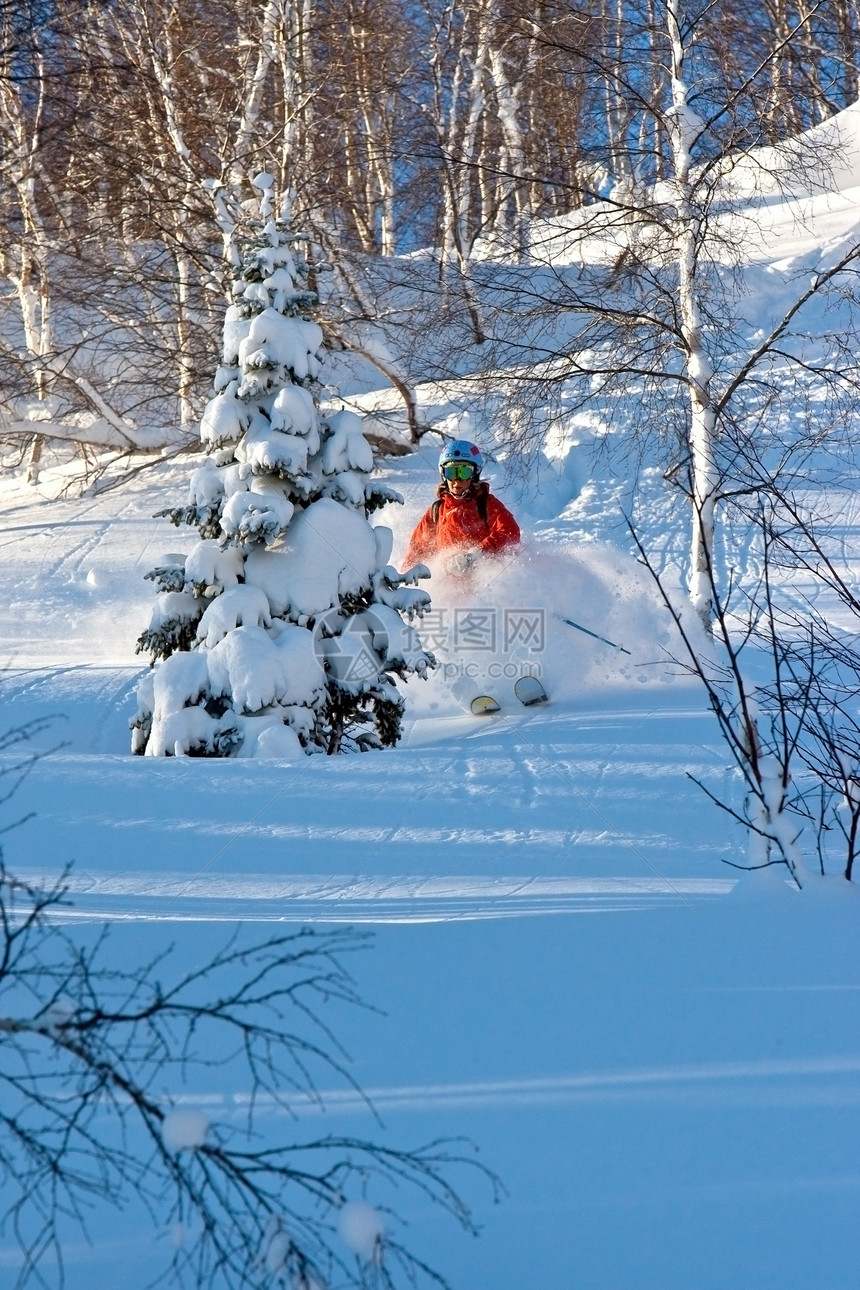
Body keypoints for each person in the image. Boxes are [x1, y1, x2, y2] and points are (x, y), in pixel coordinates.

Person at [403, 440, 520, 574]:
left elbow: (510, 532)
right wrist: (403, 582)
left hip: (485, 585)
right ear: (443, 475)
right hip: (448, 588)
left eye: (464, 472)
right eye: (451, 472)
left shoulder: (486, 504)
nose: (456, 480)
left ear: (474, 475)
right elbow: (417, 550)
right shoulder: (436, 511)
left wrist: (476, 555)